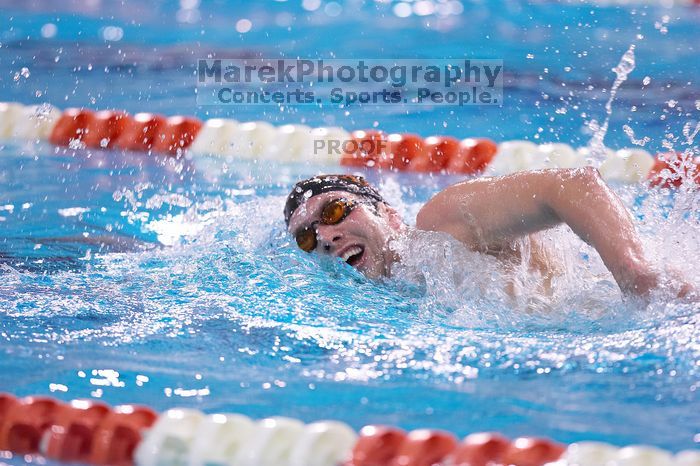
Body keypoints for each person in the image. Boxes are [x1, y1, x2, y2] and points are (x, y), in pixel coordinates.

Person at [284, 169, 691, 298]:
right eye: (307, 237)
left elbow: (572, 184)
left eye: (335, 210)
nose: (325, 236)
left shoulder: (439, 227)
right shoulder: (394, 294)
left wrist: (636, 271)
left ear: (388, 215)